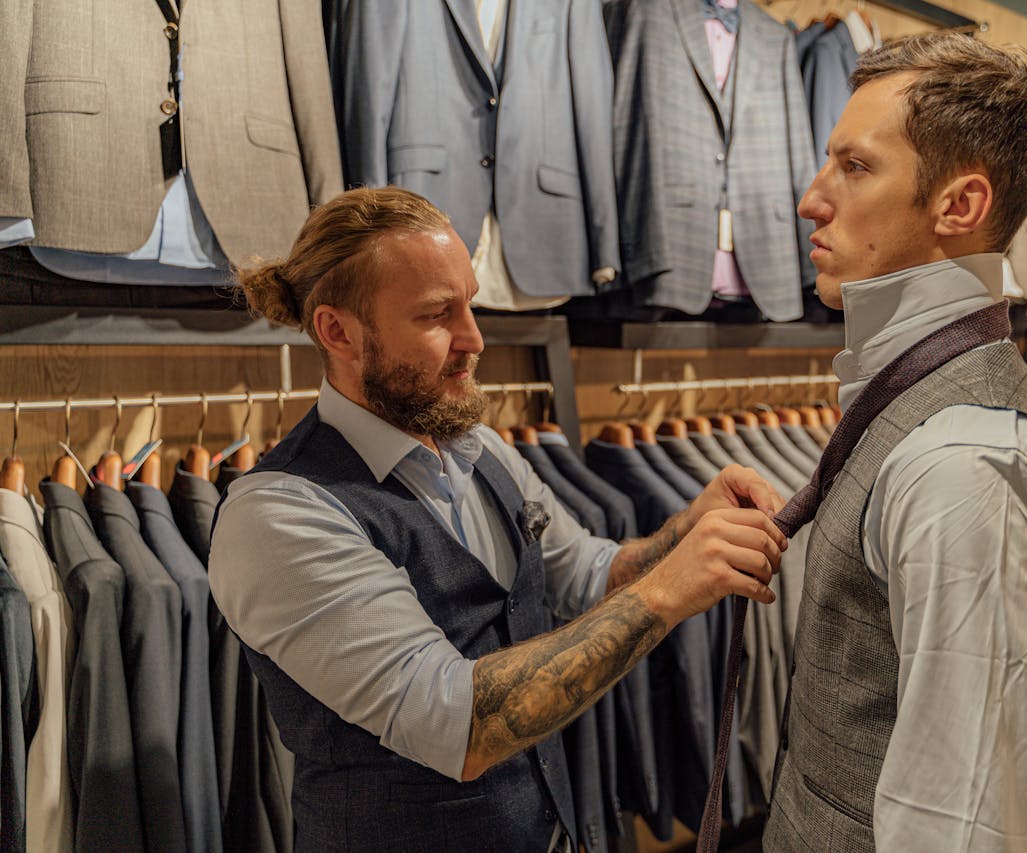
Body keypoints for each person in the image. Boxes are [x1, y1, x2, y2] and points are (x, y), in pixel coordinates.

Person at [207, 186, 787, 852]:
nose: (475, 339)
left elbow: (590, 575)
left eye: (470, 304)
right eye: (436, 315)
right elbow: (456, 723)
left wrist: (682, 533)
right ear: (337, 331)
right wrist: (666, 592)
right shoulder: (280, 514)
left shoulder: (479, 450)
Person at [762, 34, 1027, 852]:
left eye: (855, 167)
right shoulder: (913, 400)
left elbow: (957, 826)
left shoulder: (969, 466)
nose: (813, 198)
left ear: (959, 206)